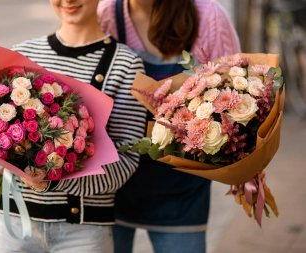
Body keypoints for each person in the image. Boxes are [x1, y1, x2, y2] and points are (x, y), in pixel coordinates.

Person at [0, 0, 147, 252]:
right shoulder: (24, 53)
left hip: (82, 232)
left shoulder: (125, 64)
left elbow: (125, 163)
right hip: (13, 225)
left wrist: (52, 179)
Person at [97, 0, 241, 252]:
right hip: (113, 185)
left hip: (182, 193)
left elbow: (237, 97)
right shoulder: (107, 13)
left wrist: (246, 167)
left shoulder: (208, 16)